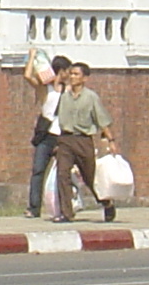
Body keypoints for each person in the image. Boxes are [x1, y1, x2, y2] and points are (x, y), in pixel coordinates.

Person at [51, 59, 119, 223]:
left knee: (90, 178)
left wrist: (111, 140)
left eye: (76, 74)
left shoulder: (91, 97)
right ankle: (66, 213)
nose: (72, 77)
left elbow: (102, 120)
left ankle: (106, 202)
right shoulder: (64, 96)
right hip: (66, 140)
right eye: (71, 74)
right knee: (62, 175)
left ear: (85, 78)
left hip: (83, 141)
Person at [23, 51, 72, 218]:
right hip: (46, 136)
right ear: (61, 71)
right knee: (38, 171)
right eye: (68, 71)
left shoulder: (68, 91)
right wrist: (32, 57)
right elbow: (28, 76)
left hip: (63, 136)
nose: (69, 75)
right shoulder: (46, 89)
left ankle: (62, 207)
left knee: (63, 173)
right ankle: (33, 207)